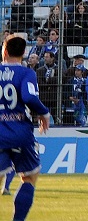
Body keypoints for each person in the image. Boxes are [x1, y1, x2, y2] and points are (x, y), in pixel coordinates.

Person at [0, 35, 50, 221]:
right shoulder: (26, 73)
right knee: (30, 177)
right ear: (23, 54)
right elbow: (29, 98)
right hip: (20, 133)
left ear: (4, 51)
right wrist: (44, 113)